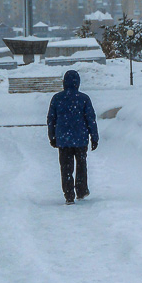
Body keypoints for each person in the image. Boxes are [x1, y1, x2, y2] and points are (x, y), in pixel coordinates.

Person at [46, 70, 99, 205]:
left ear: (64, 82)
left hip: (63, 139)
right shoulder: (84, 98)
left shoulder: (57, 98)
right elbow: (91, 119)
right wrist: (94, 137)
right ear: (78, 83)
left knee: (66, 167)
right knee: (81, 165)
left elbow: (51, 119)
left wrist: (52, 136)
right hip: (80, 139)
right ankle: (81, 190)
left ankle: (69, 195)